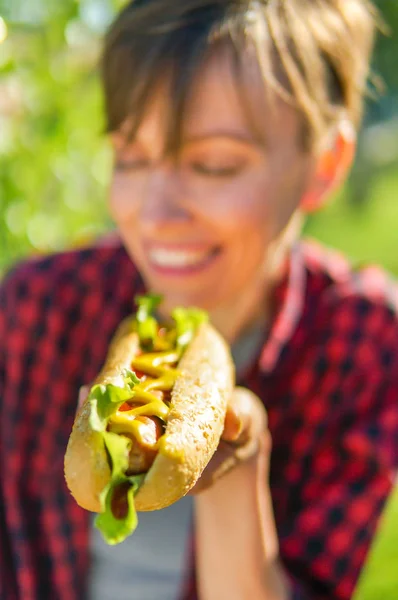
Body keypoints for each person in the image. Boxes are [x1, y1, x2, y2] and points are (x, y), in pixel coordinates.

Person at [1, 0, 397, 598]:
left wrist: (238, 475)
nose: (156, 216)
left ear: (325, 164)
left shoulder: (368, 342)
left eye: (213, 165)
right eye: (130, 158)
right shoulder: (36, 307)